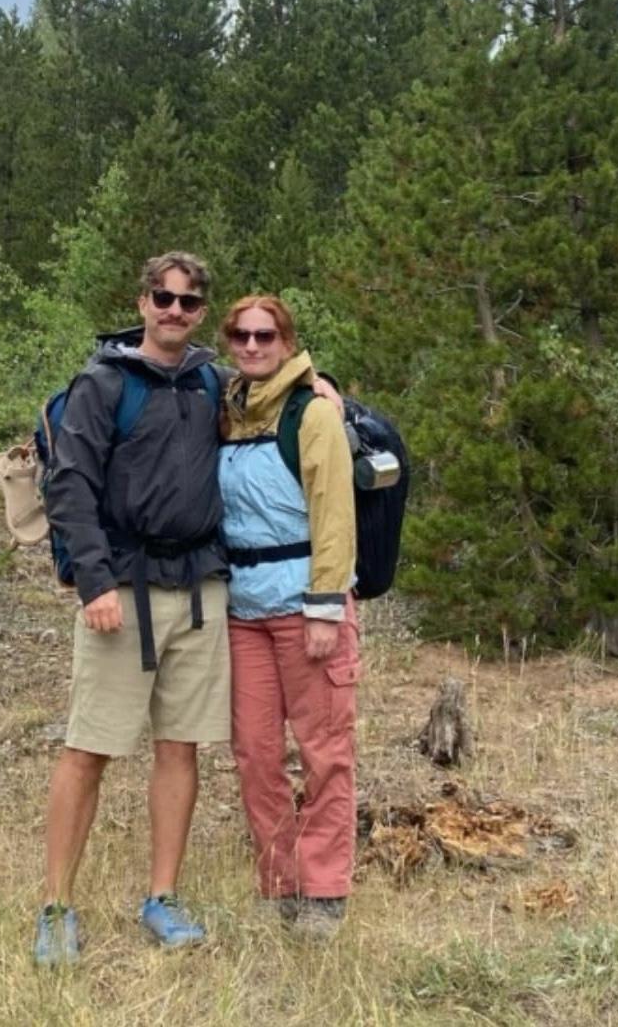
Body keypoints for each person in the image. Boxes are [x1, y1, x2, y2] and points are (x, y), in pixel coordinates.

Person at [34, 252, 230, 965]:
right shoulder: (104, 383)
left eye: (189, 301)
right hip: (123, 589)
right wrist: (94, 582)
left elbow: (277, 400)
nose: (175, 310)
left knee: (180, 747)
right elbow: (69, 485)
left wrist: (323, 389)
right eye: (163, 297)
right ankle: (57, 908)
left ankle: (163, 897)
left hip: (201, 587)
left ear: (202, 311)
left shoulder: (213, 382)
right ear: (142, 301)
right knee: (89, 749)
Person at [218, 294, 361, 939]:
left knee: (324, 751)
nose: (253, 346)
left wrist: (325, 606)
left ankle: (324, 892)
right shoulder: (229, 410)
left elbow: (334, 513)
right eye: (241, 336)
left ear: (287, 342)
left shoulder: (313, 412)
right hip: (244, 612)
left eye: (265, 336)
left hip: (307, 608)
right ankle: (277, 884)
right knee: (255, 753)